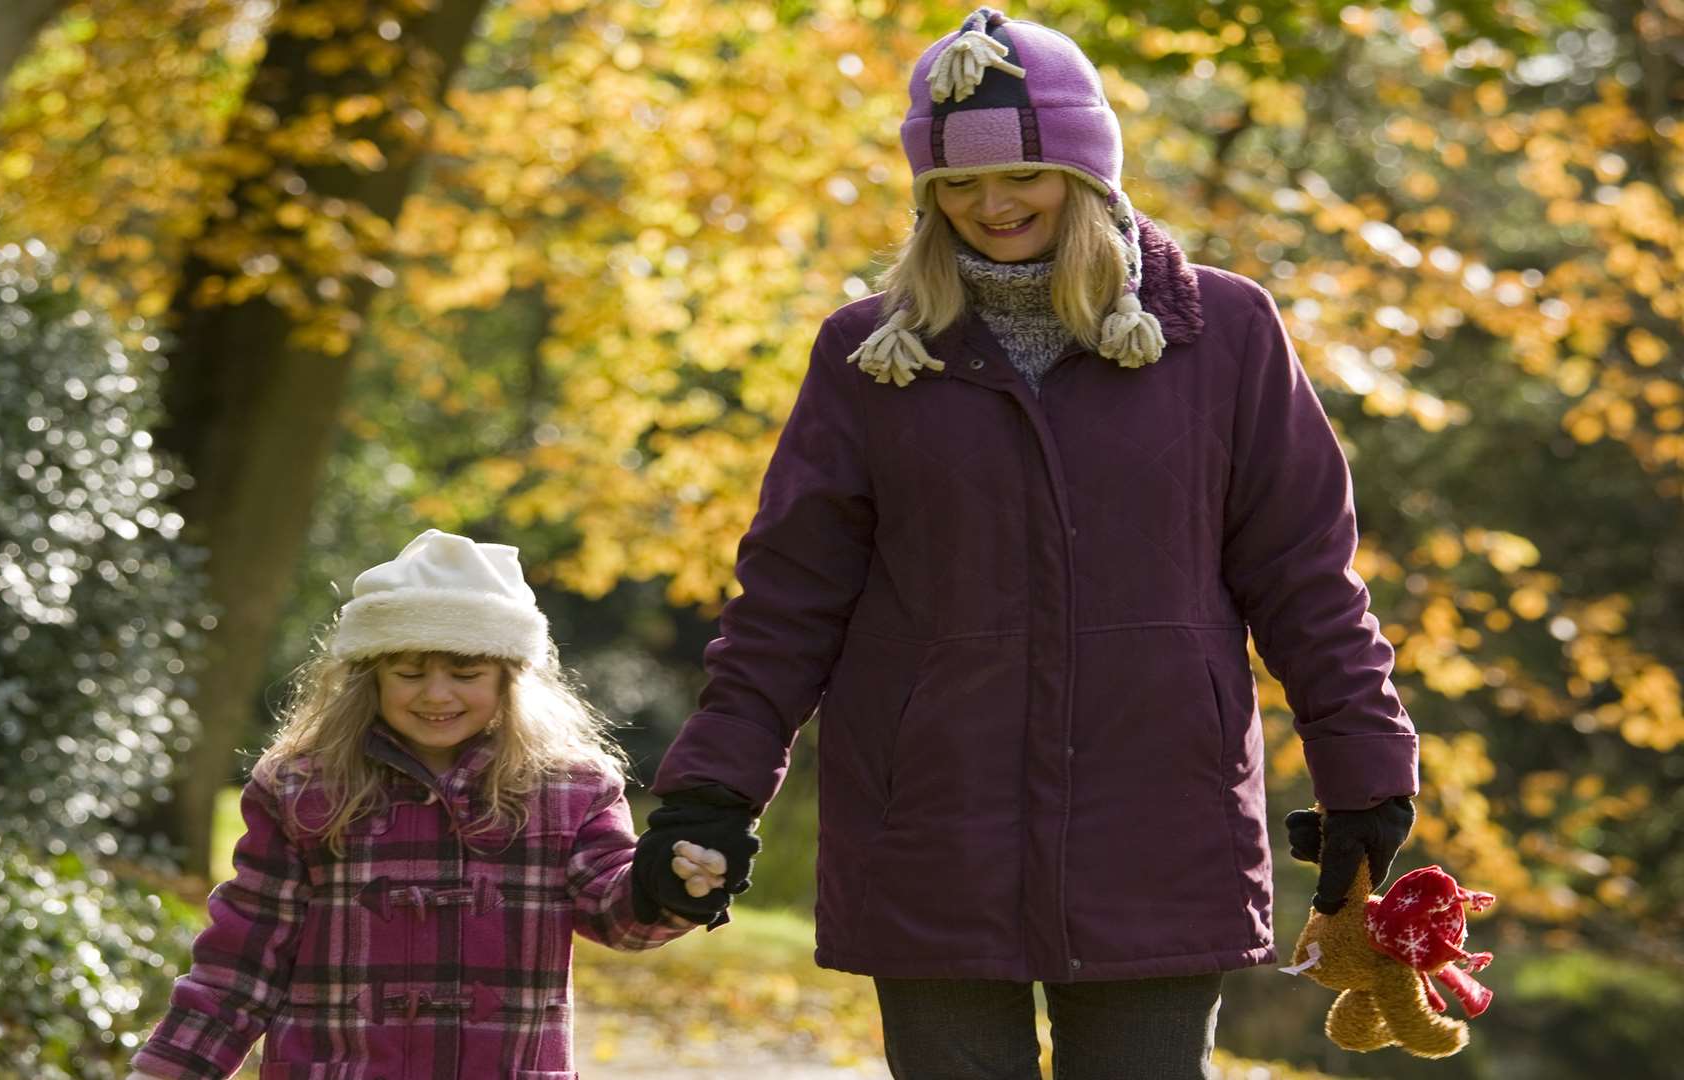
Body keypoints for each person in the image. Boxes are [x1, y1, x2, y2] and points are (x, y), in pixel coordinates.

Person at [629, 7, 1420, 1078]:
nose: (992, 206)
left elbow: (1305, 578)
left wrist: (1364, 771)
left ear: (1088, 173)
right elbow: (790, 598)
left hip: (1159, 818)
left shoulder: (1224, 337)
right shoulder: (869, 355)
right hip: (932, 827)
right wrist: (712, 793)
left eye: (1025, 176)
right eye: (957, 186)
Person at [128, 529, 717, 1080]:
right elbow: (241, 962)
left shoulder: (570, 789)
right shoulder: (301, 788)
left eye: (465, 672)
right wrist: (170, 1071)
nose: (436, 695)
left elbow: (616, 915)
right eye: (409, 672)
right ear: (373, 677)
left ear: (510, 677)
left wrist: (668, 883)